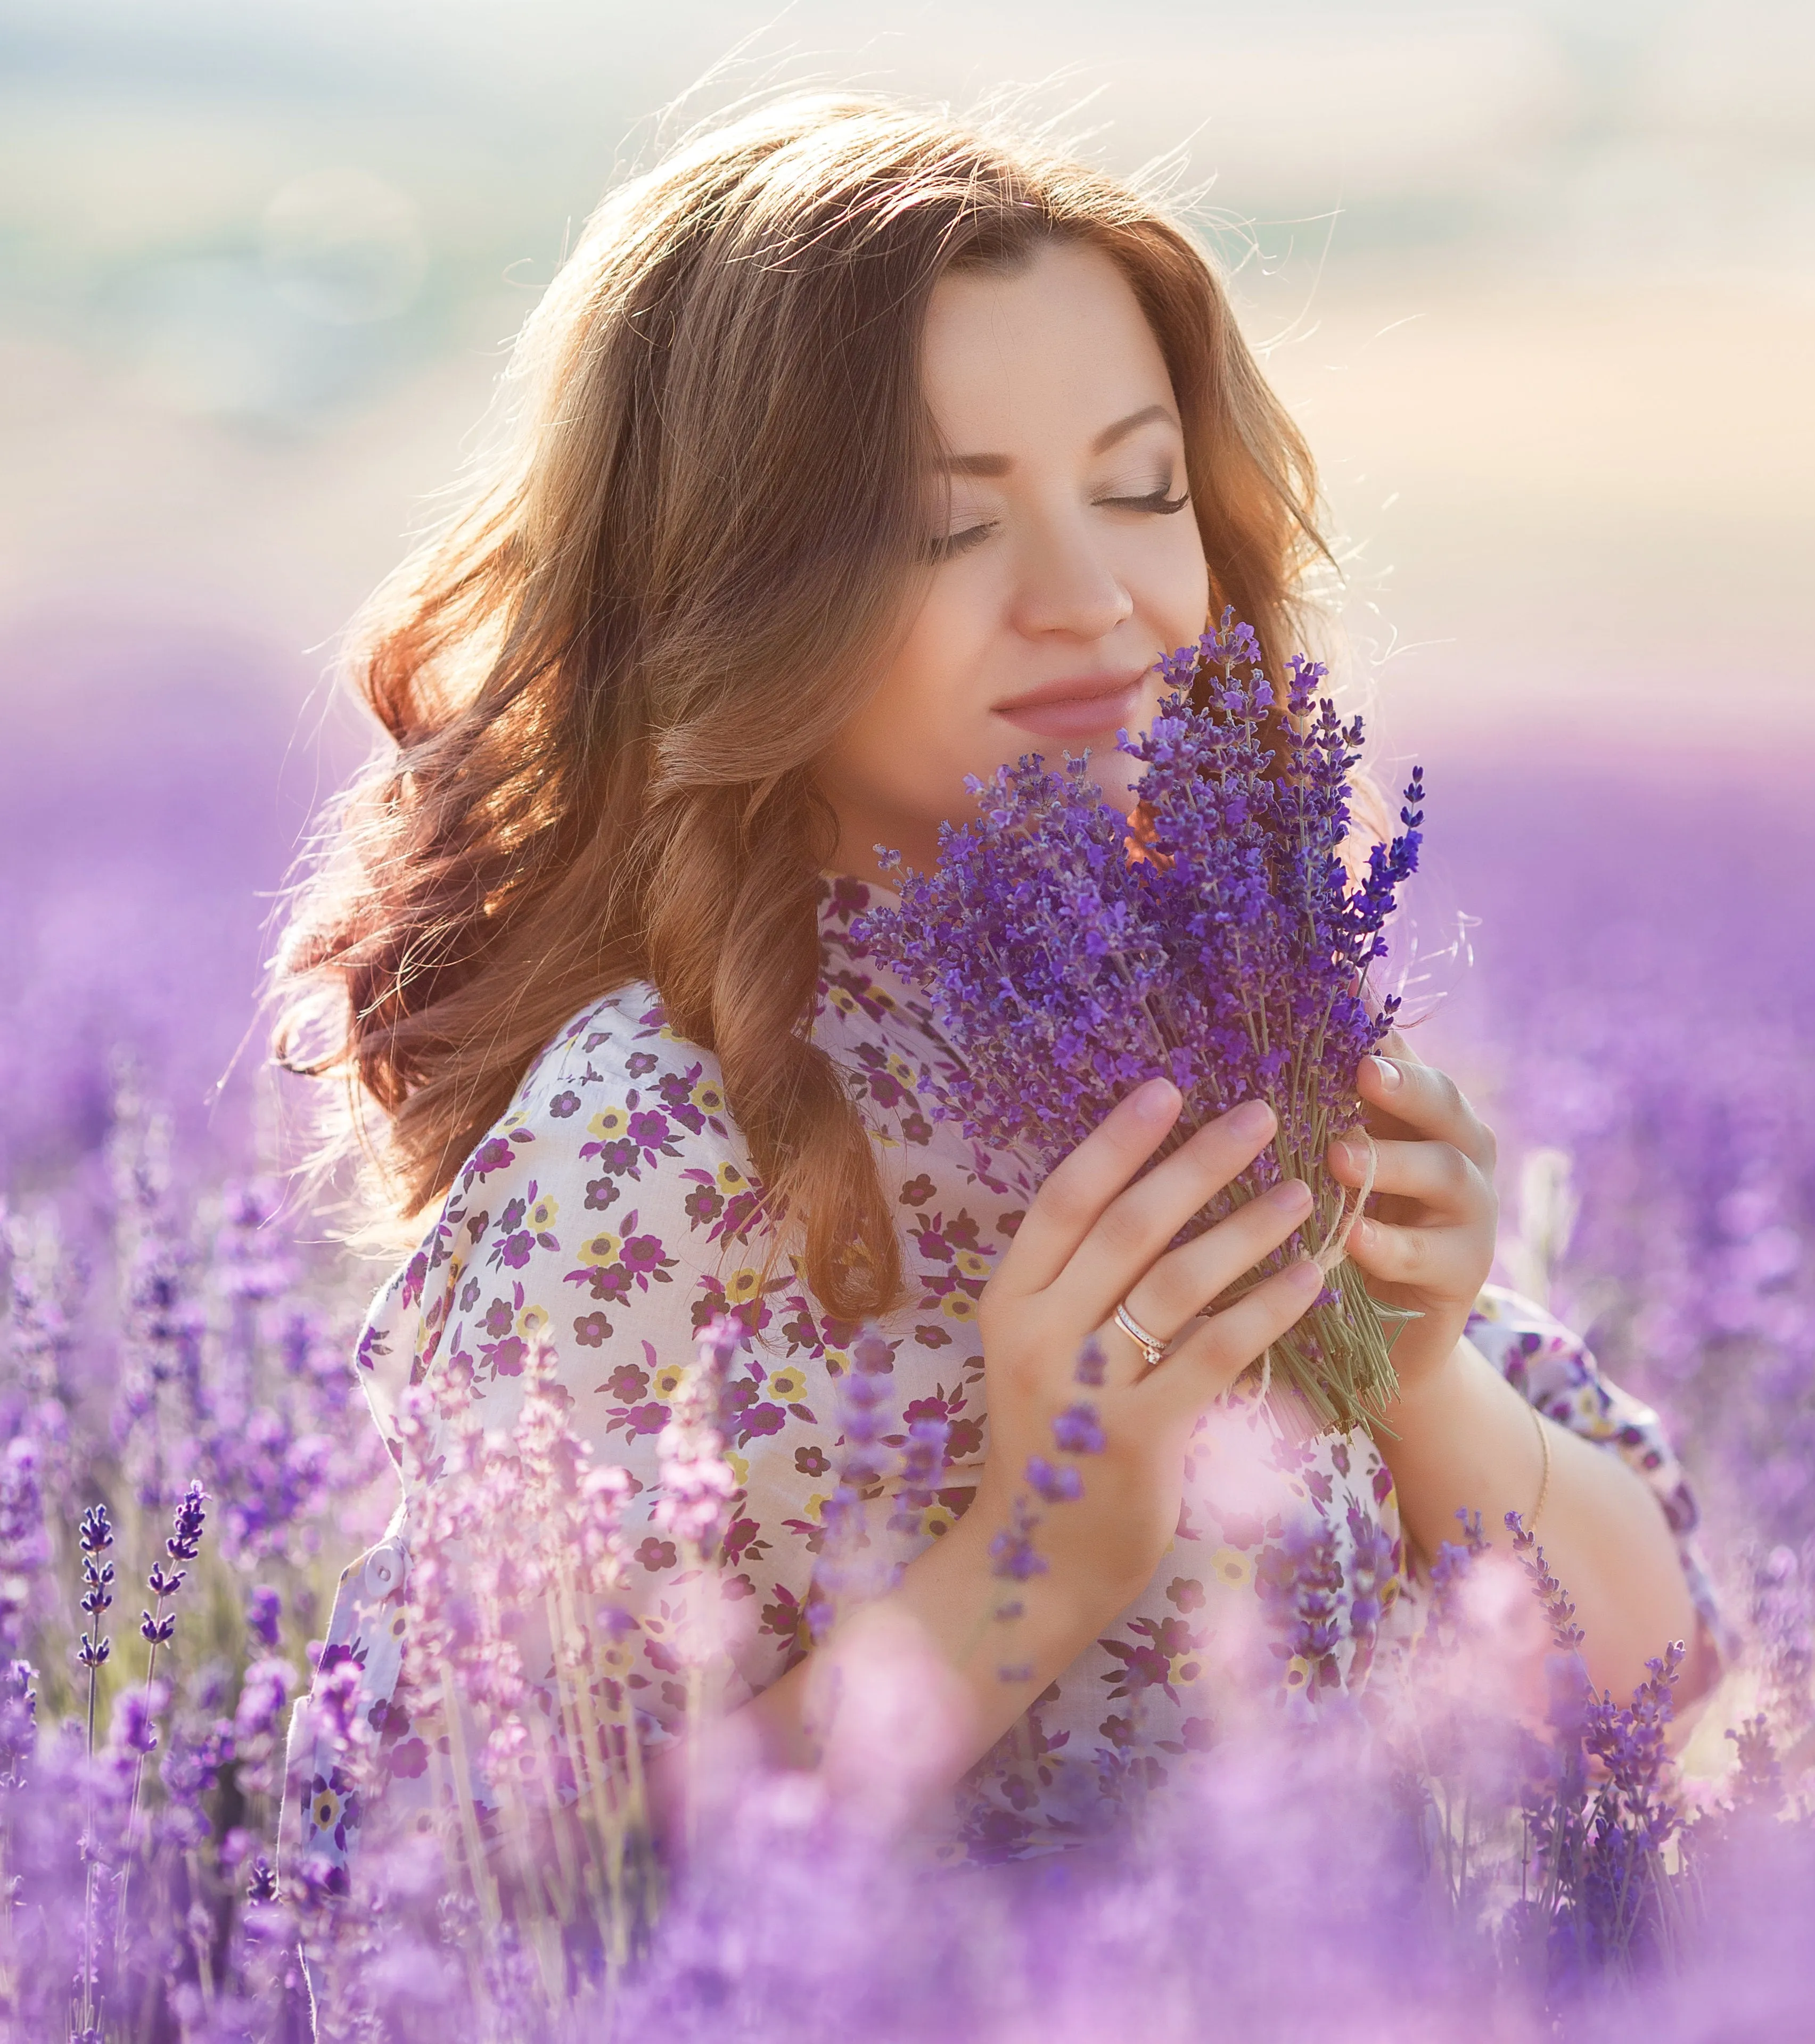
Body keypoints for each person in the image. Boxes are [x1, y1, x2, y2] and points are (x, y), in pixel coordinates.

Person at [276, 91, 1721, 1880]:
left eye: (1140, 490)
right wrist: (1039, 1558)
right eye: (945, 527)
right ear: (735, 592)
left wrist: (1426, 1381)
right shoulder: (643, 1143)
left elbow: (1662, 1681)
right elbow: (453, 1890)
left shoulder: (1222, 1027)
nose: (1094, 599)